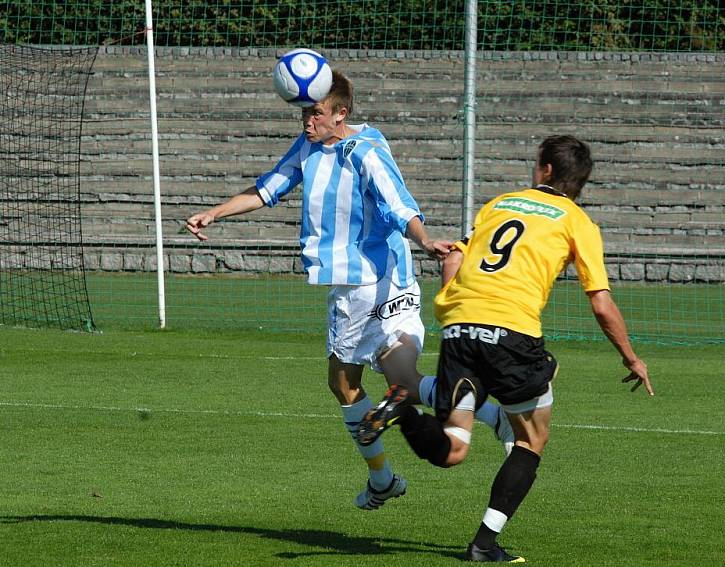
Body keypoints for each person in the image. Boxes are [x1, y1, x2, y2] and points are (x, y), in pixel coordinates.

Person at [186, 66, 514, 511]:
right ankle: (494, 416)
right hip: (390, 280)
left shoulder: (366, 151)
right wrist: (214, 213)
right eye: (304, 112)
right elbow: (268, 189)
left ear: (340, 113)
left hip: (363, 286)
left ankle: (382, 479)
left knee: (343, 386)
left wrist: (424, 239)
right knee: (404, 379)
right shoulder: (309, 147)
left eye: (316, 113)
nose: (307, 121)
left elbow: (399, 205)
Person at [356, 134, 654, 560]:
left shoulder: (500, 204)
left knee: (453, 450)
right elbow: (602, 304)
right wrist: (632, 357)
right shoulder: (578, 222)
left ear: (547, 170)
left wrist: (454, 315)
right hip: (512, 333)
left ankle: (404, 409)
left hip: (461, 329)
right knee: (531, 440)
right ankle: (483, 544)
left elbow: (453, 259)